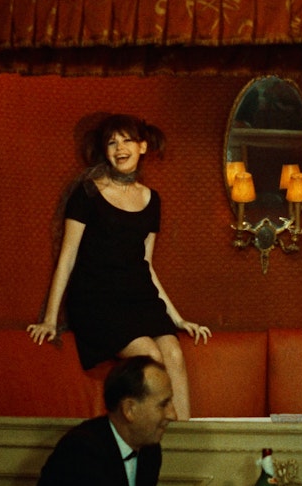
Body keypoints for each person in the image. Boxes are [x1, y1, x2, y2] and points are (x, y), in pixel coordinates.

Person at [27, 113, 210, 420]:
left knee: (174, 354)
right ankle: (158, 437)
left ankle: (183, 442)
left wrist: (177, 318)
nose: (119, 148)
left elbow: (146, 265)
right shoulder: (87, 192)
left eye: (127, 140)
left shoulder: (152, 200)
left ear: (142, 147)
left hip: (138, 298)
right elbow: (67, 257)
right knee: (150, 356)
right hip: (97, 301)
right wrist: (49, 319)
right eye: (112, 142)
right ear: (105, 150)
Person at [24, 356, 251, 486]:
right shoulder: (81, 449)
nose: (173, 415)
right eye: (163, 404)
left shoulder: (150, 450)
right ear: (129, 409)